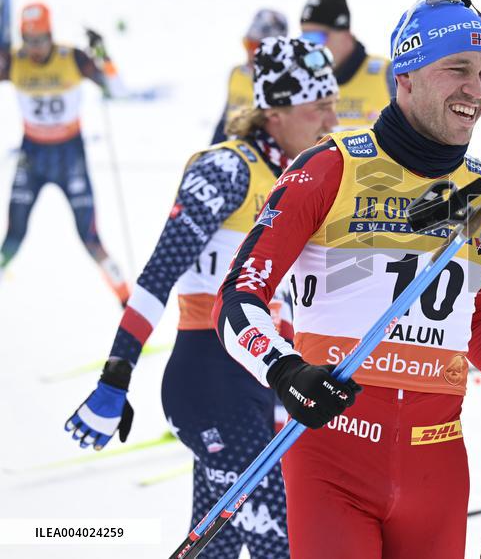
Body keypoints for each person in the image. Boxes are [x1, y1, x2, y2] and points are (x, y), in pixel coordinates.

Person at [212, 0, 481, 558]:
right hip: (331, 460)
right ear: (407, 74)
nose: (477, 89)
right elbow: (238, 298)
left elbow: (480, 321)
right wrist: (285, 369)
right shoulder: (329, 167)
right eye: (458, 68)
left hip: (436, 465)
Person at [65, 37, 341, 558]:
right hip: (208, 380)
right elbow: (158, 273)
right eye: (318, 108)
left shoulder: (307, 178)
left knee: (218, 543)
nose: (332, 120)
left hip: (261, 384)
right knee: (279, 540)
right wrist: (116, 376)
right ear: (275, 113)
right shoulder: (226, 170)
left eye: (333, 104)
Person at [0, 2, 129, 305]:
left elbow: (117, 89)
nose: (36, 48)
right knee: (13, 237)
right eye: (30, 40)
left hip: (70, 154)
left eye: (41, 39)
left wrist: (102, 54)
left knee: (90, 237)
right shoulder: (12, 60)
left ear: (51, 34)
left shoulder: (71, 57)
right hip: (32, 155)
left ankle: (126, 299)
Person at [299, 0, 395, 130]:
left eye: (316, 38)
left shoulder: (386, 74)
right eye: (305, 39)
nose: (310, 47)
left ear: (344, 33)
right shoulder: (303, 81)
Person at [210, 9, 289, 144]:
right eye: (247, 43)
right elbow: (224, 121)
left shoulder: (287, 83)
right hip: (233, 152)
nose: (250, 51)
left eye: (256, 46)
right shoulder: (237, 74)